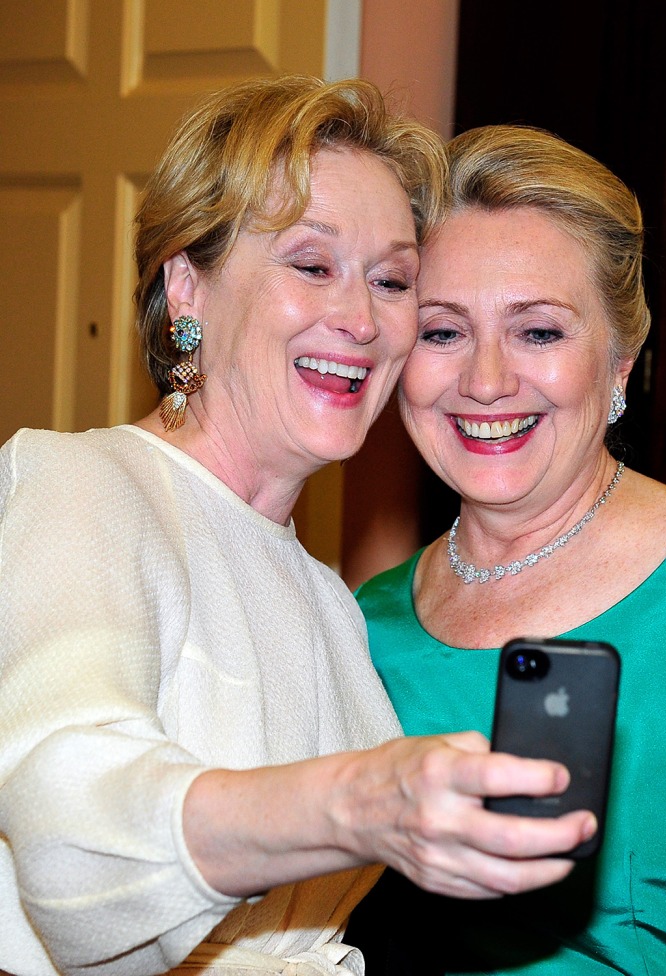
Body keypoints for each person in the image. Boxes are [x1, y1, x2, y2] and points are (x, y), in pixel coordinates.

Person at [0, 82, 598, 976]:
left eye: (392, 280)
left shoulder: (329, 600)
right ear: (186, 286)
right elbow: (67, 810)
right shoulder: (82, 482)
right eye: (312, 265)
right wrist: (359, 804)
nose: (360, 320)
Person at [346, 123, 666, 974]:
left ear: (620, 362)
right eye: (442, 331)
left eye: (538, 332)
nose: (487, 381)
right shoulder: (361, 625)